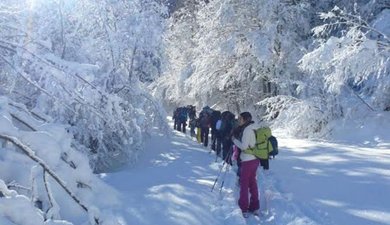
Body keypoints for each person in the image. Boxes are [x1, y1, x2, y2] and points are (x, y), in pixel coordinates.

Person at [231, 112, 260, 218]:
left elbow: (243, 146)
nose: (239, 120)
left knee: (244, 184)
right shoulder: (256, 127)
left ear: (245, 119)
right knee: (253, 183)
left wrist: (234, 140)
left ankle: (243, 208)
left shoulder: (247, 130)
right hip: (256, 158)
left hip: (247, 160)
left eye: (240, 119)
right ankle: (255, 206)